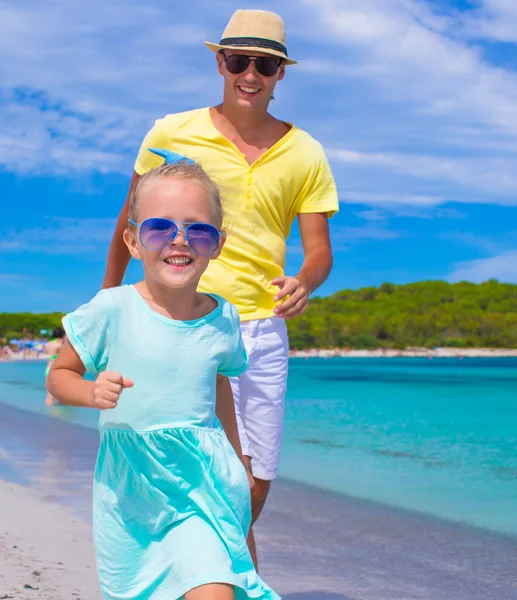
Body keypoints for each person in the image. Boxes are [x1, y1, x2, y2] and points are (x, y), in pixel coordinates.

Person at [101, 9, 339, 567]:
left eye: (265, 64)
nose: (250, 74)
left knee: (255, 481)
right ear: (220, 63)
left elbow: (320, 250)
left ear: (282, 74)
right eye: (239, 61)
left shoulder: (306, 151)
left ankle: (191, 559)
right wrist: (109, 301)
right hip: (181, 319)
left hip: (261, 330)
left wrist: (304, 281)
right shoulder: (171, 132)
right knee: (199, 464)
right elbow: (128, 222)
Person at [47, 160, 280, 600]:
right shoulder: (110, 309)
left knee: (212, 584)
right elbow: (60, 376)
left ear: (218, 244)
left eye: (198, 231)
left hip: (203, 480)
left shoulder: (222, 317)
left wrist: (240, 461)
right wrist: (91, 392)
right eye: (159, 228)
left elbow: (220, 387)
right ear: (133, 241)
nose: (179, 240)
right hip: (133, 486)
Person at [44, 326, 65, 406]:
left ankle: (49, 415)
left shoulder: (48, 344)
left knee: (50, 394)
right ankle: (53, 417)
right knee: (55, 395)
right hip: (56, 370)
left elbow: (46, 352)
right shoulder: (59, 345)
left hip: (48, 369)